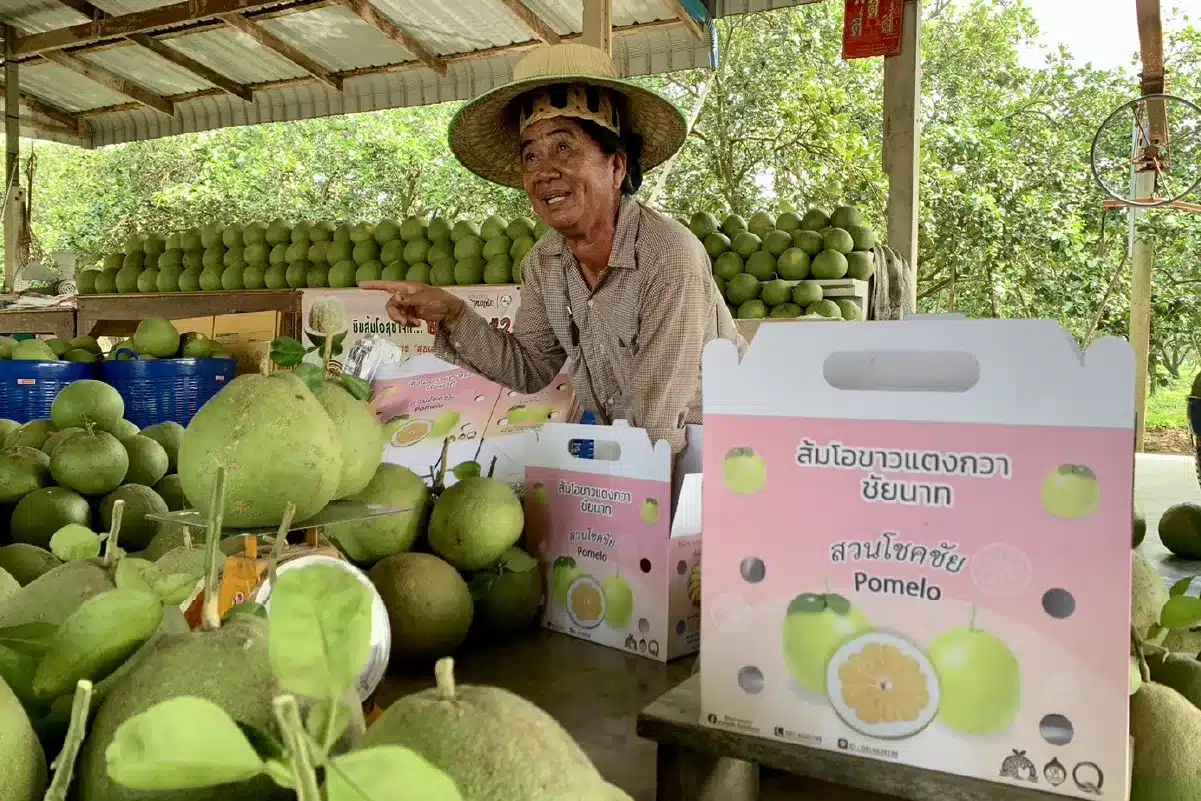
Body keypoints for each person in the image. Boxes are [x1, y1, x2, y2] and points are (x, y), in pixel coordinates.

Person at [364, 43, 746, 454]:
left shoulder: (668, 256)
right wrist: (454, 314)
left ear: (616, 167)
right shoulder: (545, 263)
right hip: (638, 455)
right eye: (531, 157)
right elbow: (529, 367)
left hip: (718, 455)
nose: (544, 172)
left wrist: (625, 501)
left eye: (564, 147)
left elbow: (658, 420)